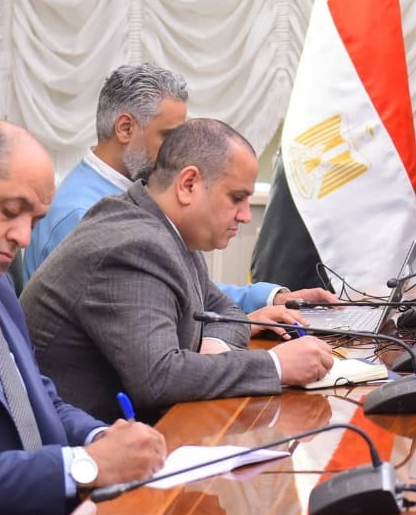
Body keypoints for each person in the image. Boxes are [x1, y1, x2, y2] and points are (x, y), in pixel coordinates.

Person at [21, 118, 336, 422]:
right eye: (236, 198)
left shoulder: (166, 227)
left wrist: (213, 348)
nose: (245, 216)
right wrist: (276, 365)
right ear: (188, 185)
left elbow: (225, 311)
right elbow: (158, 379)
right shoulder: (134, 245)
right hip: (88, 441)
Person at [0, 121, 165, 515]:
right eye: (11, 211)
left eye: (34, 221)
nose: (23, 237)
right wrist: (80, 466)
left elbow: (37, 398)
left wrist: (100, 438)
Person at [24, 64, 336, 311]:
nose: (178, 148)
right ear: (125, 128)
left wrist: (270, 298)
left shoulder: (135, 193)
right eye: (169, 136)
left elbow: (189, 290)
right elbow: (152, 308)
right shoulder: (81, 215)